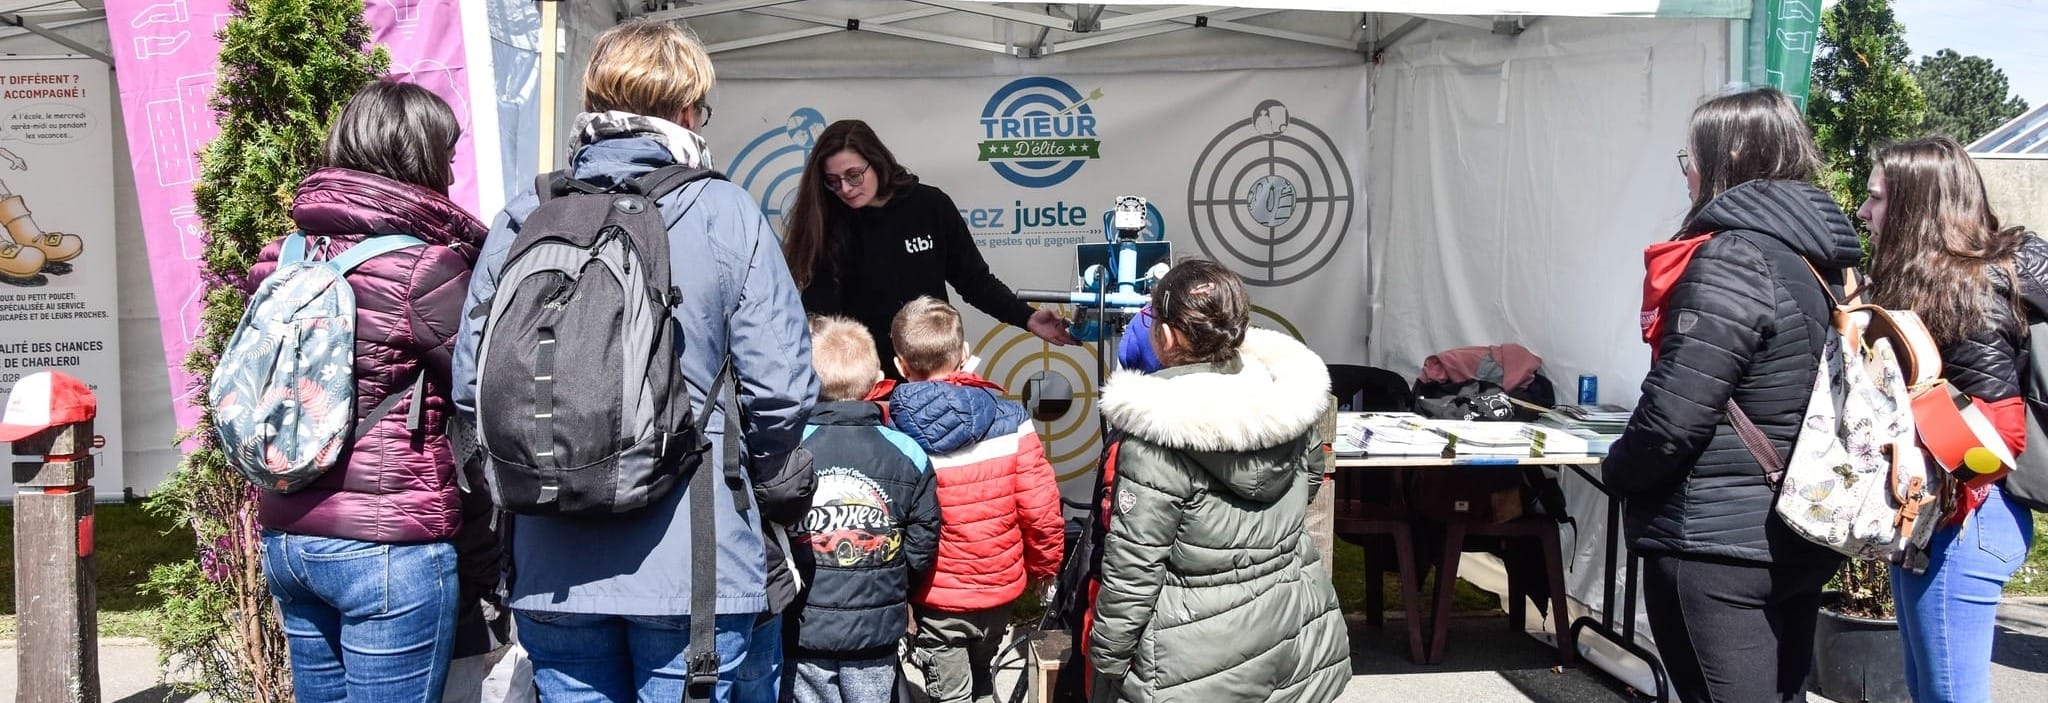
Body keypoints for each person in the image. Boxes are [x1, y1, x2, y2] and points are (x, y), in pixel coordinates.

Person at [450, 19, 818, 703]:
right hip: (695, 554)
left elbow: (473, 388)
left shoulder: (526, 213)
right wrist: (763, 477)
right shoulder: (724, 210)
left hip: (551, 558)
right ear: (686, 111)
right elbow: (782, 390)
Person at [1602, 88, 1864, 703]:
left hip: (1717, 546)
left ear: (1732, 155)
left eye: (1690, 157)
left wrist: (1617, 472)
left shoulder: (1733, 257)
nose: (1687, 173)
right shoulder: (1822, 262)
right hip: (1796, 529)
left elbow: (1674, 417)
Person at [245, 79, 486, 702]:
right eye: (446, 156)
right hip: (387, 546)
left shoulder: (281, 258)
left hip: (289, 538)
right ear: (419, 157)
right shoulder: (424, 269)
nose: (451, 173)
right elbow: (481, 389)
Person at [1086, 259, 1349, 703]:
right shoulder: (1286, 400)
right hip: (1293, 630)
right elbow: (1308, 481)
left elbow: (1134, 569)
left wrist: (1108, 661)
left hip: (1190, 661)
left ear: (1166, 335)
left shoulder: (1155, 434)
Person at [1859, 135, 2039, 702]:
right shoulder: (1941, 283)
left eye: (1877, 198)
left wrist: (1902, 422)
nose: (1863, 212)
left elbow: (1997, 435)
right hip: (1943, 520)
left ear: (1916, 207)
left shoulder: (1968, 290)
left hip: (1965, 521)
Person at [781, 120, 1077, 379]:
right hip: (863, 381)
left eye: (853, 175)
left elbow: (975, 281)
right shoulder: (825, 224)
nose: (845, 188)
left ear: (877, 162)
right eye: (833, 182)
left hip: (931, 373)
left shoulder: (930, 206)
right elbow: (820, 319)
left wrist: (1025, 316)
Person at [882, 296, 1064, 703]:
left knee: (952, 693)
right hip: (1000, 590)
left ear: (900, 365)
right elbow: (1041, 509)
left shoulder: (892, 431)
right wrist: (1044, 567)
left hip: (936, 599)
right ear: (964, 353)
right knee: (982, 676)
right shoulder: (1012, 420)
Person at [786, 316, 942, 703]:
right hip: (877, 628)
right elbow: (923, 539)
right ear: (877, 381)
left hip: (805, 625)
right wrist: (896, 581)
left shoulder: (790, 448)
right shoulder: (907, 452)